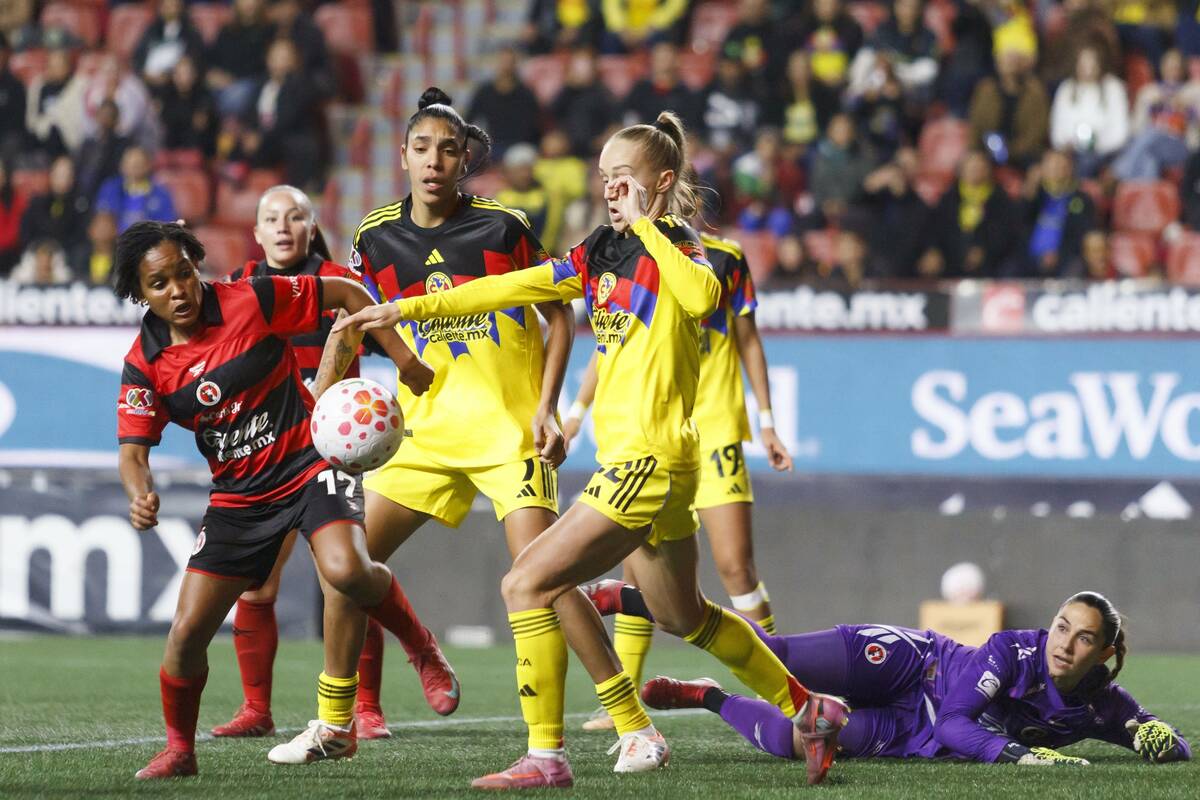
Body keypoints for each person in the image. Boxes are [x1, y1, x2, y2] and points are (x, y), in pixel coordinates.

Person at [335, 110, 849, 788]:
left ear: (661, 184)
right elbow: (513, 286)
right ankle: (809, 707)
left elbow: (701, 298)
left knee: (526, 582)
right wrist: (405, 310)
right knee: (683, 615)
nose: (610, 191)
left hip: (648, 465)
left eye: (624, 179)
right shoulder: (600, 253)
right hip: (648, 467)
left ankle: (545, 756)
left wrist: (648, 227)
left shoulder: (678, 246)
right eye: (605, 179)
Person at [273, 89, 664, 784]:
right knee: (344, 567)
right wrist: (377, 377)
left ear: (464, 161)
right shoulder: (375, 235)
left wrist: (546, 408)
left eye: (447, 150)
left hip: (507, 434)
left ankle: (634, 725)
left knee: (548, 580)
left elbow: (560, 315)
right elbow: (366, 313)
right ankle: (335, 723)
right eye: (421, 149)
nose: (433, 161)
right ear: (402, 157)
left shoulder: (503, 228)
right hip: (421, 436)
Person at [113, 220, 435, 779]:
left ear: (197, 265)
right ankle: (179, 751)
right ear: (140, 293)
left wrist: (401, 356)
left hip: (308, 463)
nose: (179, 291)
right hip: (239, 498)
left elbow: (350, 294)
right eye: (160, 284)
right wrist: (140, 494)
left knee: (347, 570)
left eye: (184, 274)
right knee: (186, 633)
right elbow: (132, 452)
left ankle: (421, 647)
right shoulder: (145, 364)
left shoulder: (251, 298)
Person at [208, 184, 424, 738]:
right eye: (271, 218)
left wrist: (407, 367)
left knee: (348, 579)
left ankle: (366, 709)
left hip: (332, 457)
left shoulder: (341, 284)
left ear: (310, 226)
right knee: (259, 584)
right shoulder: (240, 289)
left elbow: (385, 328)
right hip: (272, 457)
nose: (283, 226)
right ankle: (257, 710)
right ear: (255, 234)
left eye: (295, 217)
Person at [565, 227, 795, 731]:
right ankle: (620, 697)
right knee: (636, 574)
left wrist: (769, 420)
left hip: (715, 430)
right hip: (657, 434)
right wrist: (577, 411)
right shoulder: (628, 256)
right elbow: (612, 346)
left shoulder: (726, 259)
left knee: (735, 565)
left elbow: (748, 341)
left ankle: (783, 680)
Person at [615, 587, 1192, 768]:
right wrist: (1021, 756)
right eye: (1062, 626)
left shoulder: (1103, 705)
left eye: (1083, 637)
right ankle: (641, 600)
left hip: (914, 728)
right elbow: (959, 726)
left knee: (798, 744)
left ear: (1106, 652)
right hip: (917, 664)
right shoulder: (1012, 650)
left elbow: (1174, 748)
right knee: (777, 652)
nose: (1064, 643)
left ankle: (709, 698)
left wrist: (1155, 738)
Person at [95, 146, 179, 233]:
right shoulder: (111, 187)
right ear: (122, 165)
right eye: (130, 164)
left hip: (148, 239)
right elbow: (104, 214)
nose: (133, 168)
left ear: (148, 165)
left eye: (138, 164)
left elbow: (167, 222)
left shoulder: (161, 193)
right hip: (116, 239)